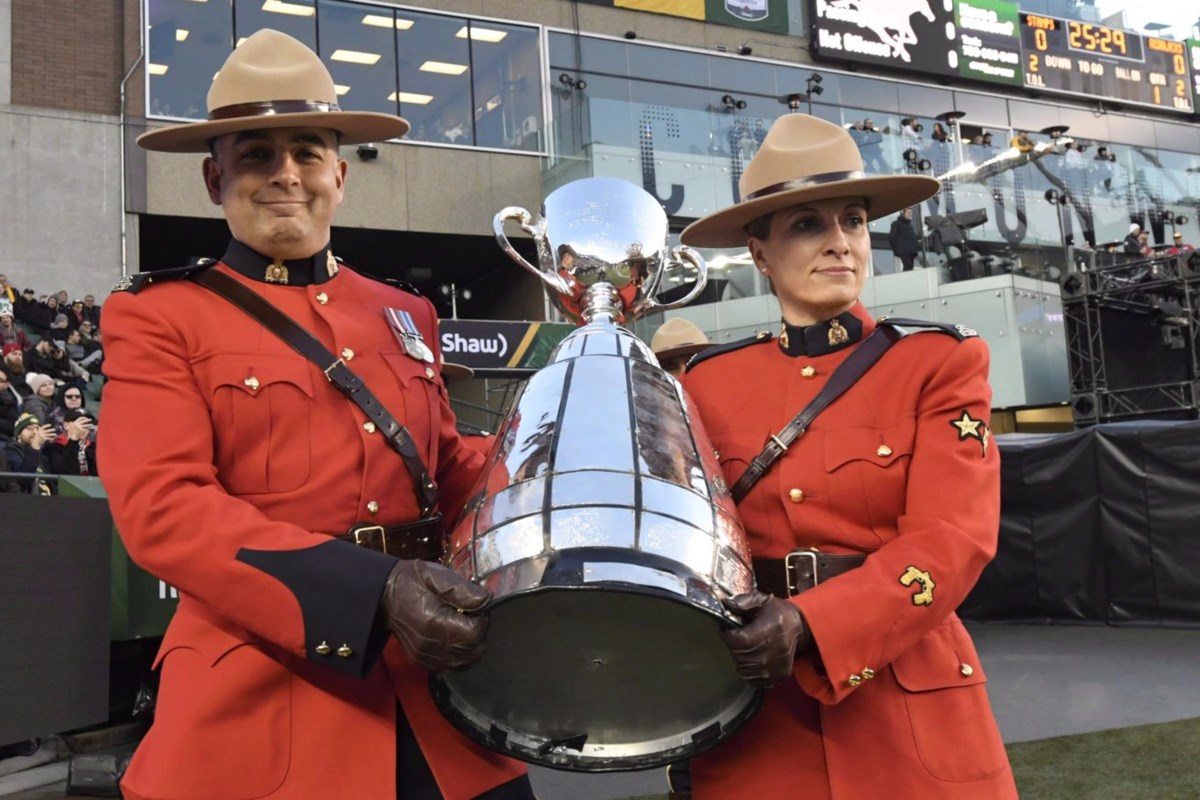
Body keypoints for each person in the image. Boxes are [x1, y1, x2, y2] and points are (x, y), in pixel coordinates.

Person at [97, 29, 532, 800]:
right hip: (263, 699)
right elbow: (163, 511)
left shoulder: (405, 312)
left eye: (305, 150)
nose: (284, 175)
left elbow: (442, 465)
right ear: (213, 176)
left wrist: (545, 471)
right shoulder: (161, 317)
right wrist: (374, 592)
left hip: (443, 707)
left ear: (338, 171)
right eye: (256, 153)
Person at [676, 113, 1017, 799]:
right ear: (758, 253)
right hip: (755, 717)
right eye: (807, 224)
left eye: (853, 221)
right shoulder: (706, 383)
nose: (840, 243)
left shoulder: (938, 362)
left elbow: (955, 539)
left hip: (905, 708)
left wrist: (812, 622)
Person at [3, 412, 54, 493]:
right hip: (28, 502)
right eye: (30, 428)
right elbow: (23, 481)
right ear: (18, 434)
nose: (35, 432)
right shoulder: (11, 451)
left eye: (37, 428)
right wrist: (35, 446)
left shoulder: (42, 456)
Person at [888, 207, 921, 271]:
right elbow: (891, 238)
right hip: (903, 250)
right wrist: (896, 249)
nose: (910, 214)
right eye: (908, 212)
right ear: (903, 213)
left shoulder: (910, 225)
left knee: (910, 266)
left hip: (911, 251)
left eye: (911, 213)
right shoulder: (896, 224)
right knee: (907, 265)